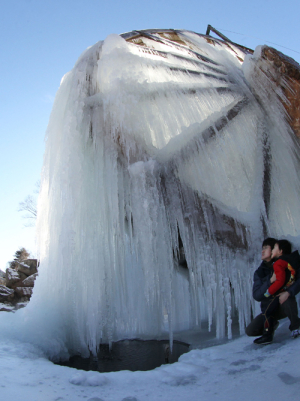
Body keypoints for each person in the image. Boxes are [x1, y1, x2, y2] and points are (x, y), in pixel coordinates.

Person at [246, 238, 300, 345]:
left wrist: (288, 292)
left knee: (286, 298)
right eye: (262, 248)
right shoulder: (260, 272)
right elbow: (257, 295)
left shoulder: (285, 263)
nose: (262, 251)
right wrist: (270, 280)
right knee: (251, 330)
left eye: (266, 248)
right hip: (268, 309)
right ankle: (271, 326)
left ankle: (296, 325)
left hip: (283, 305)